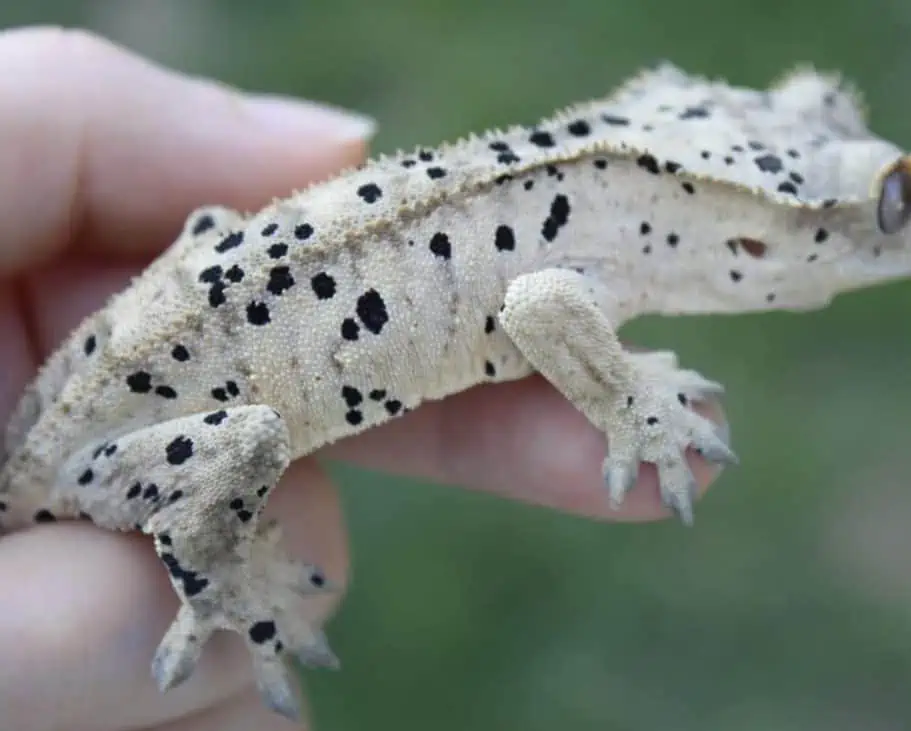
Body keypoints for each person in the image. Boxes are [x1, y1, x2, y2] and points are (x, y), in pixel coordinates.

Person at [0, 26, 728, 731]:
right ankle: (215, 582)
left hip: (113, 392)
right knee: (250, 437)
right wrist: (227, 570)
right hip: (105, 440)